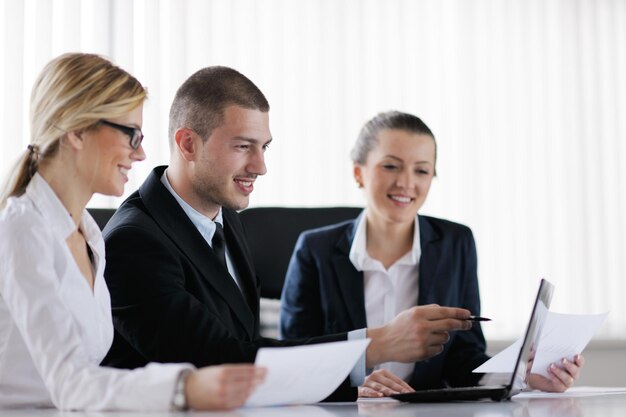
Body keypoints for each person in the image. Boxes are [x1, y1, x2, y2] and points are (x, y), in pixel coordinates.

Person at [101, 66, 475, 402]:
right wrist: (374, 344)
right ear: (188, 144)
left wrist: (349, 385)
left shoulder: (226, 220)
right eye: (243, 146)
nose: (260, 166)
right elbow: (217, 360)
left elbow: (249, 346)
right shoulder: (134, 240)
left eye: (263, 147)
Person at [0, 53, 265, 411]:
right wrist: (184, 387)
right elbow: (69, 382)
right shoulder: (23, 229)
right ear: (76, 131)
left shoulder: (89, 235)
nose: (140, 154)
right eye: (131, 135)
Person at [280, 111, 585, 396]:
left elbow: (463, 356)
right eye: (390, 166)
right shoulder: (315, 249)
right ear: (359, 172)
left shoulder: (455, 243)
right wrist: (353, 388)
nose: (406, 183)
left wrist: (520, 375)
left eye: (422, 170)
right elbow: (296, 358)